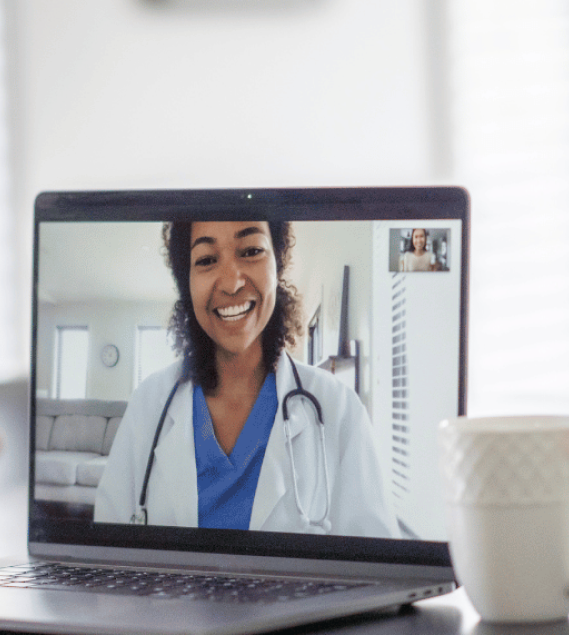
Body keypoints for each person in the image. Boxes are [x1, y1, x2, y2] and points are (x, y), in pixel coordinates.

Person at [93, 221, 398, 537]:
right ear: (187, 282)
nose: (231, 283)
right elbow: (105, 553)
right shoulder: (148, 403)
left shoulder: (339, 408)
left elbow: (378, 571)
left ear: (276, 264)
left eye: (251, 251)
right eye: (207, 260)